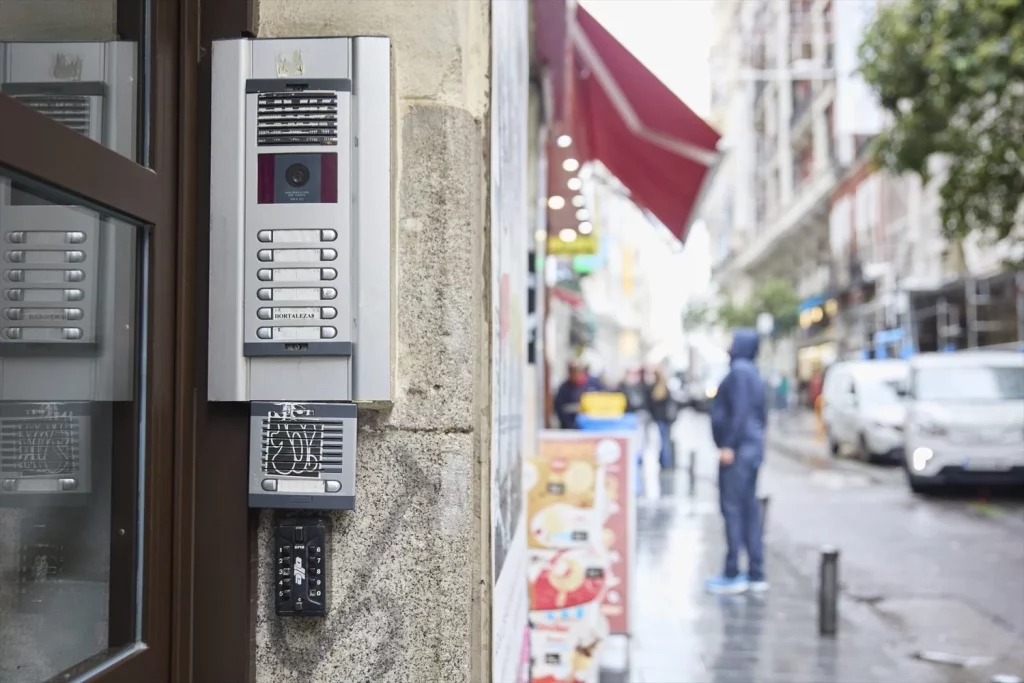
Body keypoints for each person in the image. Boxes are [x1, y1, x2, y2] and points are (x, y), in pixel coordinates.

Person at [707, 329, 768, 594]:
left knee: (733, 509)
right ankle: (755, 571)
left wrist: (729, 444)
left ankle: (733, 571)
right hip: (750, 449)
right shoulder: (751, 372)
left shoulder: (741, 372)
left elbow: (741, 412)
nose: (728, 345)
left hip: (740, 451)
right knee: (748, 509)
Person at [553, 359, 603, 429]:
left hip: (592, 428)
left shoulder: (594, 384)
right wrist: (568, 425)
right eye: (572, 371)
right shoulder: (564, 389)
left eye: (577, 370)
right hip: (569, 429)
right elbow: (558, 408)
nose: (575, 374)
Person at [644, 367, 677, 469]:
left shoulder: (655, 389)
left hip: (659, 418)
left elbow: (652, 405)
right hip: (665, 418)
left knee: (662, 441)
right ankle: (666, 461)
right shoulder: (664, 387)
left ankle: (665, 461)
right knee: (664, 440)